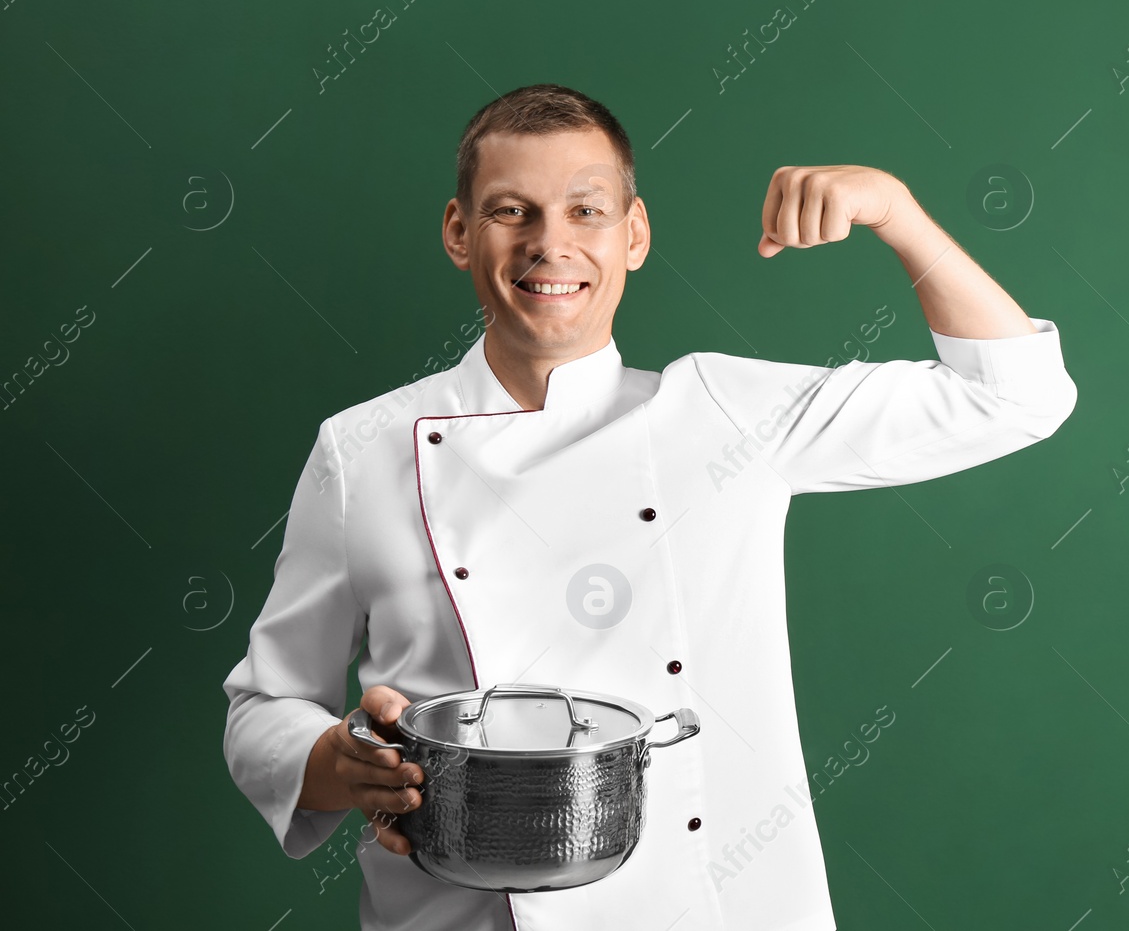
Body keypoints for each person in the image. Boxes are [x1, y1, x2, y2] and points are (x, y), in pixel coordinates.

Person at [222, 83, 1077, 930]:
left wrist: (897, 211)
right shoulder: (362, 446)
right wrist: (339, 762)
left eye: (585, 211)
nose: (549, 244)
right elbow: (265, 706)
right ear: (459, 233)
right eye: (511, 211)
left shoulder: (723, 415)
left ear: (634, 235)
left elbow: (1017, 396)